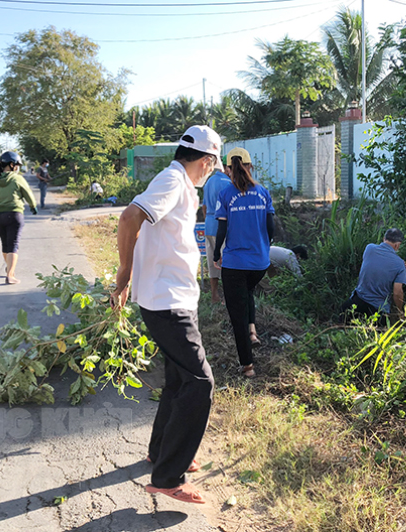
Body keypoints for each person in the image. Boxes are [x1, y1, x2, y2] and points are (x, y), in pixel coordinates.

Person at [110, 125, 222, 505]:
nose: (210, 170)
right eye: (212, 164)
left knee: (178, 382)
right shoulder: (173, 180)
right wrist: (123, 277)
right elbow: (129, 218)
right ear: (206, 161)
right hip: (167, 303)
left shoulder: (181, 186)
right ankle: (167, 477)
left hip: (171, 299)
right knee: (200, 384)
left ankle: (161, 454)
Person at [213, 147, 275, 378]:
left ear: (229, 169)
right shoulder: (263, 193)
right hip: (259, 264)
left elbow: (222, 228)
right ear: (250, 166)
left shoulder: (226, 194)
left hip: (235, 263)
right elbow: (270, 227)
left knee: (236, 312)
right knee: (247, 291)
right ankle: (252, 331)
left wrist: (216, 254)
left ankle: (247, 365)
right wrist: (263, 248)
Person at [0, 151, 37, 285]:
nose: (17, 168)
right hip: (14, 214)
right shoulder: (17, 179)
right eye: (16, 165)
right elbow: (27, 193)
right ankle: (10, 275)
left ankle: (9, 268)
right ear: (11, 165)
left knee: (5, 244)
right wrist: (33, 206)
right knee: (13, 245)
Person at [340, 228, 406, 323]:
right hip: (378, 311)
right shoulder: (399, 264)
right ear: (397, 245)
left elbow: (377, 263)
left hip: (357, 303)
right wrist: (400, 312)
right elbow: (397, 293)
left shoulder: (369, 248)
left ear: (384, 238)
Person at [202, 157, 233, 303]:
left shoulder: (208, 182)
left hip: (208, 224)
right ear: (225, 168)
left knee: (211, 260)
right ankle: (228, 296)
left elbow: (204, 207)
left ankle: (214, 295)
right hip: (222, 226)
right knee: (226, 261)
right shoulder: (227, 184)